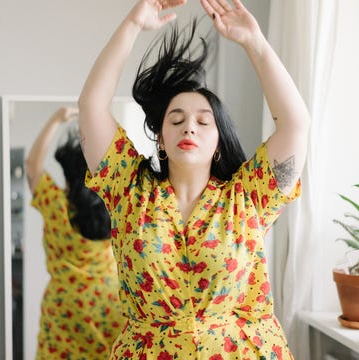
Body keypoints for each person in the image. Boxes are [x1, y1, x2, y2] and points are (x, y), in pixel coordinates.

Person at [78, 0, 310, 358]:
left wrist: (255, 42)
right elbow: (92, 105)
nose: (189, 126)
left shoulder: (248, 198)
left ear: (218, 142)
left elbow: (295, 125)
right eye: (176, 119)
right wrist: (132, 24)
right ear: (161, 139)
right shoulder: (128, 191)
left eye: (204, 122)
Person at [25, 107, 122, 360]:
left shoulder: (55, 204)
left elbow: (32, 165)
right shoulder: (116, 205)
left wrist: (56, 118)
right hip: (109, 302)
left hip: (64, 305)